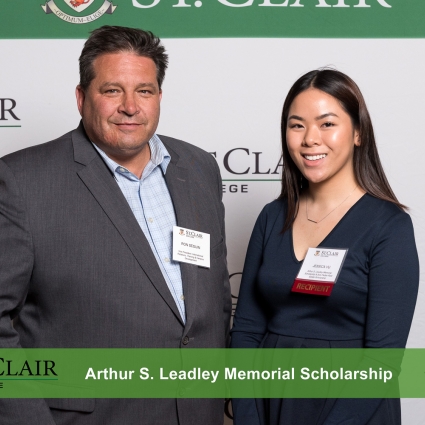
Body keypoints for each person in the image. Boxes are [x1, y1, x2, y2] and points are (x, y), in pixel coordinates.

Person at [0, 26, 231, 424]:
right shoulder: (23, 181)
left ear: (159, 97)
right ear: (81, 98)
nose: (130, 107)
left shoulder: (199, 168)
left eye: (144, 91)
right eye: (112, 90)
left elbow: (215, 296)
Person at [230, 69, 419, 425]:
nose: (309, 139)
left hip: (353, 410)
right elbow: (246, 331)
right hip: (274, 402)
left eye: (327, 124)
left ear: (358, 133)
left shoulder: (389, 226)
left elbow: (382, 362)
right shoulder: (272, 217)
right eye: (297, 125)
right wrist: (248, 415)